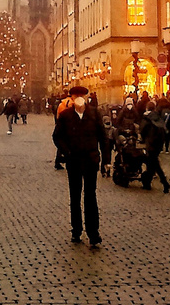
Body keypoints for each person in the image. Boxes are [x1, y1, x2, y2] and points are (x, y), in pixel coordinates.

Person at [53, 86, 105, 247]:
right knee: (75, 197)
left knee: (90, 196)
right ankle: (76, 230)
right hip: (74, 160)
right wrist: (66, 152)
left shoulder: (94, 114)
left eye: (82, 95)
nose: (79, 98)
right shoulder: (65, 115)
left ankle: (93, 233)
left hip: (90, 159)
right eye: (76, 95)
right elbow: (57, 137)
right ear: (72, 98)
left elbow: (103, 137)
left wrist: (106, 160)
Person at [140, 102, 170, 193]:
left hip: (150, 144)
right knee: (152, 164)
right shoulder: (157, 117)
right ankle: (147, 183)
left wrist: (143, 140)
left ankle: (165, 183)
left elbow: (143, 131)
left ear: (147, 108)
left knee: (154, 164)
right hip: (158, 144)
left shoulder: (146, 118)